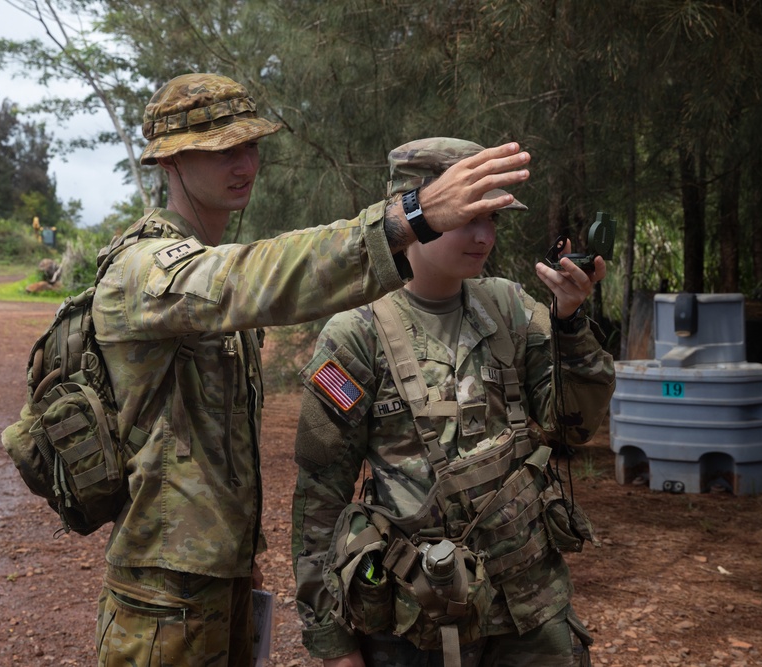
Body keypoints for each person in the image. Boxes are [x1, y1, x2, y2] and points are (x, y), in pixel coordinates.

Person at [90, 76, 530, 667]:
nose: (245, 163)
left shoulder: (205, 266)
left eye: (251, 146)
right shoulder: (144, 270)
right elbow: (259, 277)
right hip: (162, 598)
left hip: (219, 580)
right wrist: (413, 217)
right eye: (223, 149)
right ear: (169, 160)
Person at [291, 137, 615, 667]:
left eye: (493, 217)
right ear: (414, 215)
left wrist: (570, 320)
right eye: (469, 217)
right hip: (417, 623)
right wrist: (331, 641)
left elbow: (572, 429)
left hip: (530, 617)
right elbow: (319, 498)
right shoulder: (356, 335)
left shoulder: (510, 308)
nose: (485, 235)